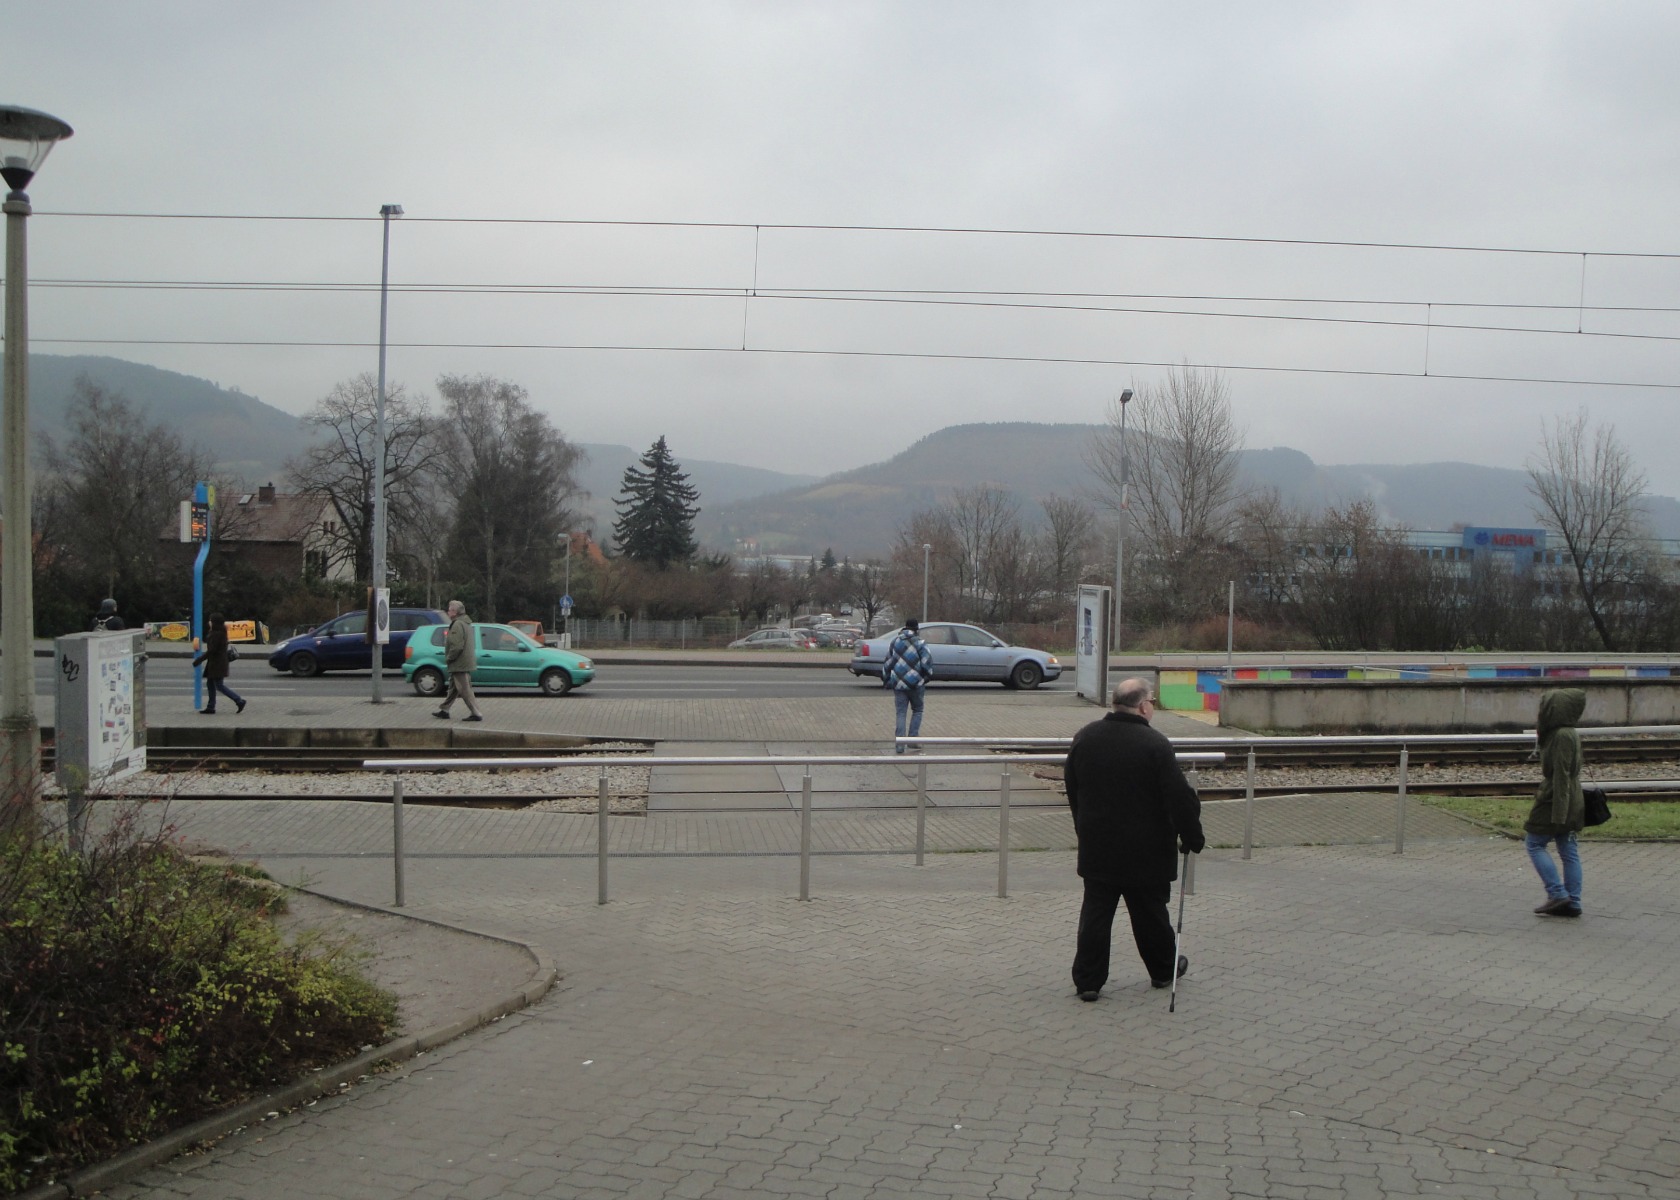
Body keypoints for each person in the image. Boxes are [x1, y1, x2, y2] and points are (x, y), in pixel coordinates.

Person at [1064, 677, 1205, 1001]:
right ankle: (1163, 970)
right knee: (1150, 914)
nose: (1152, 706)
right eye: (1151, 701)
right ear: (1142, 707)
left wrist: (1083, 827)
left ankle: (1088, 981)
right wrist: (1192, 835)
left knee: (1096, 915)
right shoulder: (1154, 743)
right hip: (1147, 851)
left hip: (1099, 846)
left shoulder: (1085, 737)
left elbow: (1073, 787)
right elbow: (1178, 797)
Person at [1526, 688, 1586, 917]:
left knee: (1534, 843)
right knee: (1568, 850)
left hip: (1556, 799)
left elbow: (1561, 775)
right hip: (1572, 797)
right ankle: (1573, 901)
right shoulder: (1569, 733)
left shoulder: (1560, 736)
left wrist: (1559, 814)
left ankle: (1557, 893)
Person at [882, 618, 932, 753]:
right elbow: (927, 663)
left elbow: (888, 663)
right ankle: (913, 740)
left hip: (898, 683)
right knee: (917, 710)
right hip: (916, 684)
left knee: (901, 713)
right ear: (916, 629)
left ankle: (900, 745)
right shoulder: (920, 643)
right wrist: (926, 677)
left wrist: (886, 680)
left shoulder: (895, 642)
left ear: (905, 628)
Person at [433, 599, 484, 722]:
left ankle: (476, 713)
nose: (448, 612)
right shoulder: (465, 623)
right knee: (453, 687)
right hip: (464, 661)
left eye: (450, 610)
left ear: (455, 612)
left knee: (464, 689)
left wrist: (449, 658)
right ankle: (445, 710)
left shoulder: (457, 625)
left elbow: (456, 646)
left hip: (459, 663)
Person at [194, 613, 246, 715]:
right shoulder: (219, 632)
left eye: (211, 620)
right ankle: (211, 706)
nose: (209, 622)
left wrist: (199, 660)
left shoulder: (217, 634)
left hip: (217, 664)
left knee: (219, 685)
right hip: (216, 663)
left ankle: (239, 700)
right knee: (210, 684)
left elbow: (211, 651)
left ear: (215, 622)